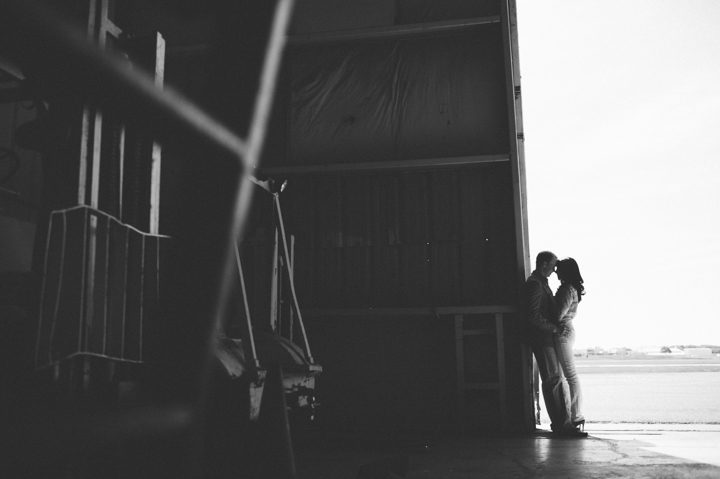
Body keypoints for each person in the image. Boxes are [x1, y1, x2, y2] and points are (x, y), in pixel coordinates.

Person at [523, 251, 583, 436]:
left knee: (557, 380)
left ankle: (564, 423)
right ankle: (562, 425)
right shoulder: (535, 284)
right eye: (553, 266)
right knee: (553, 381)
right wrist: (555, 329)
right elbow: (532, 315)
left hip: (547, 337)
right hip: (543, 338)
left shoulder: (542, 283)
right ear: (544, 265)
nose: (555, 270)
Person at [553, 257, 586, 432]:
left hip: (563, 332)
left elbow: (558, 315)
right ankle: (573, 415)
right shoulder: (572, 289)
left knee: (570, 376)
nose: (556, 272)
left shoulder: (567, 290)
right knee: (568, 376)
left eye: (558, 269)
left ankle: (575, 416)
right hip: (567, 330)